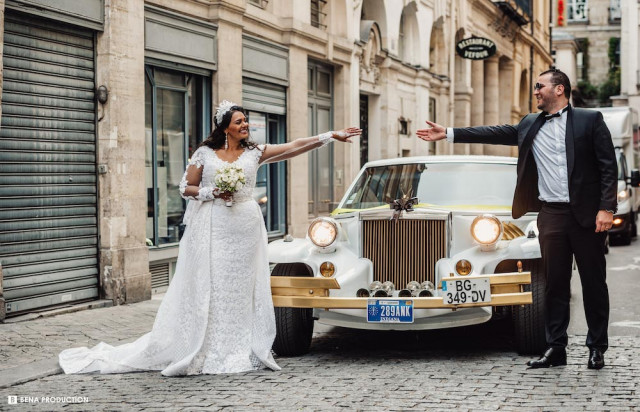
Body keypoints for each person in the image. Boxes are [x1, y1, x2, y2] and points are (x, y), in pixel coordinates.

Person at [59, 100, 361, 376]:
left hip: (245, 228)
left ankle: (238, 346)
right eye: (240, 121)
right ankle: (204, 346)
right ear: (225, 126)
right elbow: (185, 188)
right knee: (213, 285)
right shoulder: (204, 154)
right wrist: (212, 192)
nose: (245, 125)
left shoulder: (255, 153)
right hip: (215, 226)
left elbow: (294, 146)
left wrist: (330, 136)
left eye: (246, 121)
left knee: (240, 289)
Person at [416, 69, 617, 370]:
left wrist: (606, 208)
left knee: (593, 283)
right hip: (551, 215)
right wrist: (449, 133)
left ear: (559, 89)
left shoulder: (590, 120)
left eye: (540, 86)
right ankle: (556, 348)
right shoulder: (529, 123)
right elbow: (495, 133)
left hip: (587, 216)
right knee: (554, 285)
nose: (536, 91)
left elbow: (607, 166)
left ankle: (597, 347)